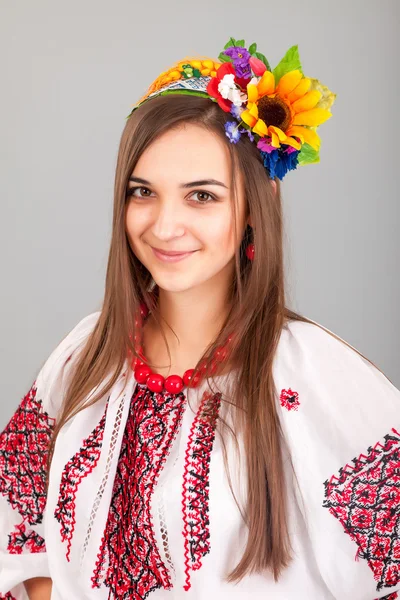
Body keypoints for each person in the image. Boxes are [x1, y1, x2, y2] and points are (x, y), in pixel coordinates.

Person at [0, 36, 399, 600]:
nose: (165, 226)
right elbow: (17, 539)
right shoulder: (85, 354)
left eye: (202, 196)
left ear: (253, 210)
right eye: (144, 192)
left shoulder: (312, 378)